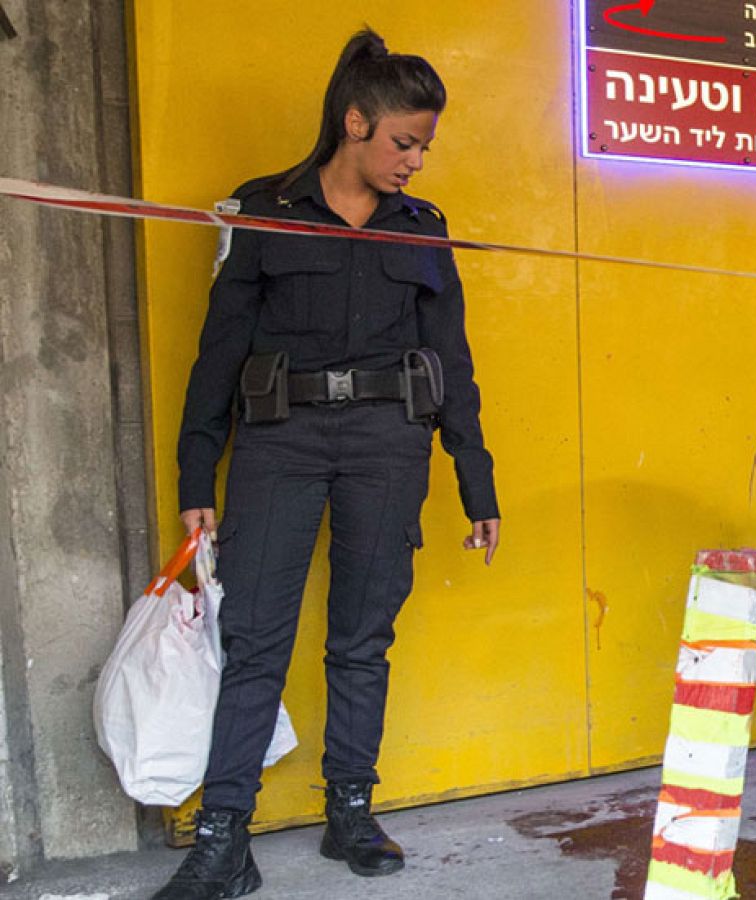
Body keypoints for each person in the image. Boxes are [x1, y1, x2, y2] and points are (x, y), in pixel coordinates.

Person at [155, 29, 500, 900]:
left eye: (424, 146)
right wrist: (199, 477)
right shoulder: (262, 209)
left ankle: (350, 809)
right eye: (403, 142)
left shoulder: (424, 230)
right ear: (355, 123)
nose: (416, 161)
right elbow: (218, 352)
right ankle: (225, 838)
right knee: (255, 639)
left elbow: (451, 361)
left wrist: (474, 478)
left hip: (389, 447)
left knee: (361, 636)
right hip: (280, 442)